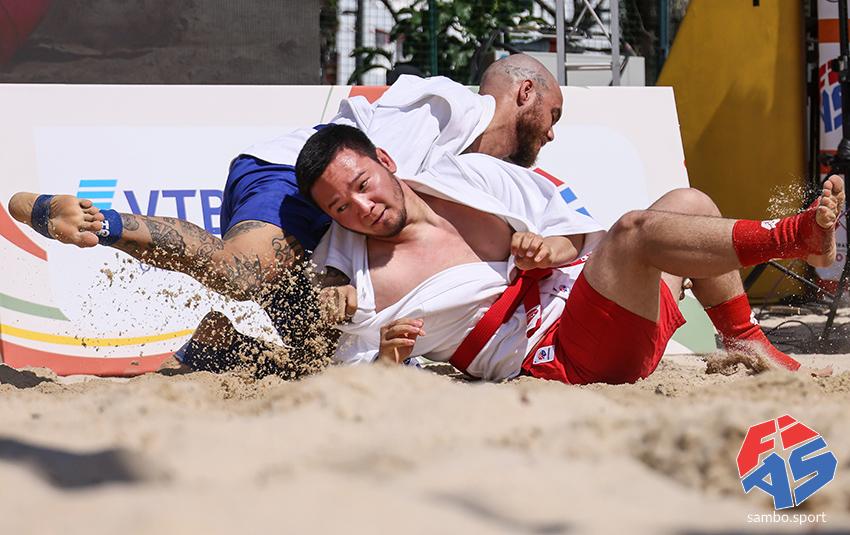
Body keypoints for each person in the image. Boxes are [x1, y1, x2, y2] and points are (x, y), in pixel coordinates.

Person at [7, 54, 564, 373]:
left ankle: (221, 346)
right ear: (524, 93)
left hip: (329, 213)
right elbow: (359, 172)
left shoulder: (479, 167)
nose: (552, 133)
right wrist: (336, 271)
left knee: (317, 358)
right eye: (553, 114)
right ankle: (94, 221)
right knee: (241, 271)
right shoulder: (455, 107)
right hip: (298, 176)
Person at [297, 125, 842, 383]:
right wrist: (386, 360)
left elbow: (577, 231)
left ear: (386, 160)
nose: (362, 208)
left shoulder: (465, 177)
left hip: (602, 307)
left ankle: (747, 342)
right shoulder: (351, 279)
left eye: (363, 185)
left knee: (689, 202)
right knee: (634, 231)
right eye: (340, 207)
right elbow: (348, 374)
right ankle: (797, 238)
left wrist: (554, 247)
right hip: (564, 356)